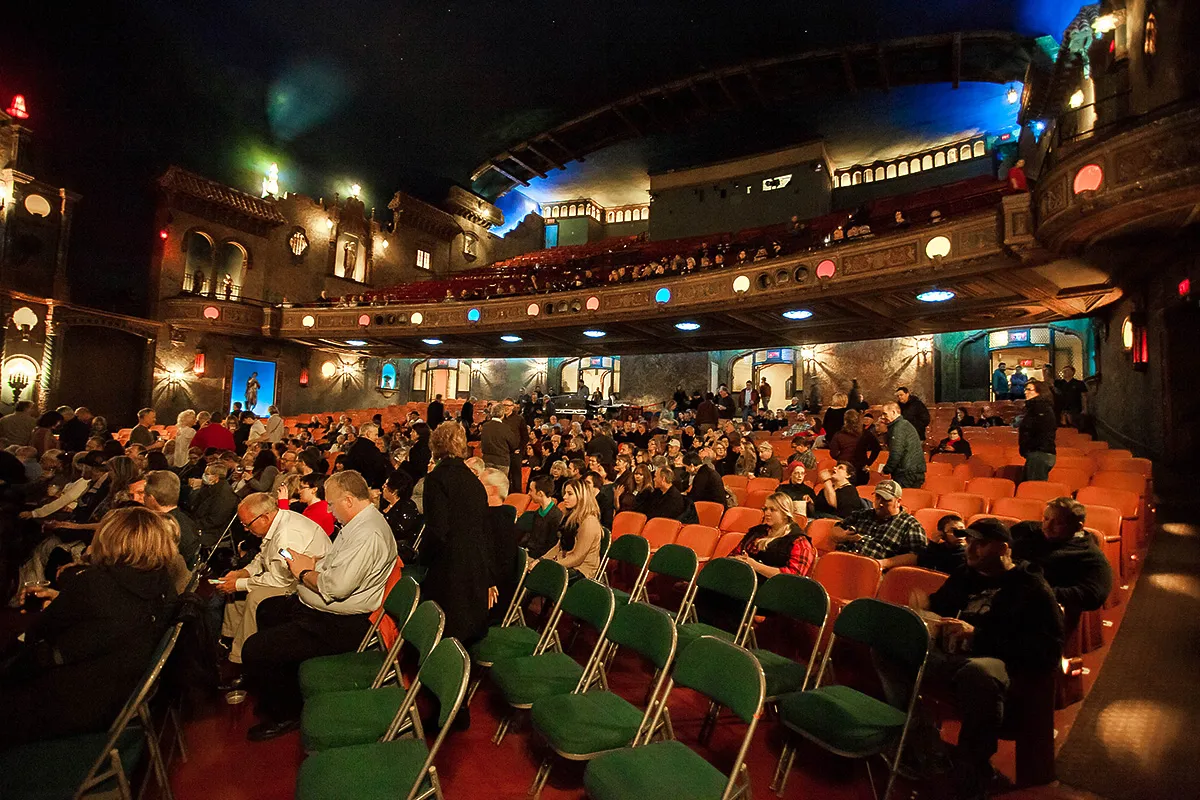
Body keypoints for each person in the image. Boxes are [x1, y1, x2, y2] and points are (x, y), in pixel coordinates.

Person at [906, 518, 1063, 799]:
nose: (971, 549)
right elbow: (939, 604)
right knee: (893, 645)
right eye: (971, 541)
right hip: (951, 655)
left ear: (1003, 549)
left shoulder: (1032, 589)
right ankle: (922, 743)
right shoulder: (965, 574)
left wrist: (977, 635)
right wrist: (925, 608)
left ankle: (973, 765)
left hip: (998, 660)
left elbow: (1045, 649)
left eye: (981, 543)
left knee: (977, 673)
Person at [3, 507, 178, 752]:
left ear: (111, 539)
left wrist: (61, 604)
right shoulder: (161, 583)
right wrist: (64, 599)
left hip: (77, 704)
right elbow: (110, 620)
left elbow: (38, 634)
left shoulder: (93, 584)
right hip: (121, 694)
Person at [241, 470, 397, 740]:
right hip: (323, 612)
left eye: (332, 504)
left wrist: (303, 572)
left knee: (255, 649)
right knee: (267, 609)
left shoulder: (367, 534)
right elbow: (335, 564)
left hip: (342, 625)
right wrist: (312, 563)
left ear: (348, 501)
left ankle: (286, 713)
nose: (330, 510)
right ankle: (285, 692)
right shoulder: (358, 525)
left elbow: (335, 588)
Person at [216, 492, 330, 665]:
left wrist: (239, 584)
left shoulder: (287, 535)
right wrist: (243, 573)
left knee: (254, 597)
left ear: (265, 517)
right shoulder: (277, 522)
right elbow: (263, 557)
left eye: (247, 524)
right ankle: (229, 639)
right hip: (286, 576)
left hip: (305, 583)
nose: (246, 529)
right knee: (235, 591)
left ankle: (241, 659)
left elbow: (281, 580)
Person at [420, 421, 493, 646]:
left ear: (436, 446)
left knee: (442, 633)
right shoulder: (474, 481)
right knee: (463, 637)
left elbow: (437, 529)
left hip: (449, 566)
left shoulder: (436, 479)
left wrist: (423, 558)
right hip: (474, 566)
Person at [1011, 497, 1112, 632]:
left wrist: (1043, 592)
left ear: (1078, 527)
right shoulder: (1029, 530)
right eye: (1046, 519)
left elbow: (1094, 595)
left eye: (1058, 523)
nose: (1047, 526)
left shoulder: (1090, 555)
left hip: (1037, 608)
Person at [831, 480, 927, 568]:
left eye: (886, 500)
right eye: (877, 497)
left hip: (875, 570)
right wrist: (844, 536)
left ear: (898, 502)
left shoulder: (911, 525)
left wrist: (882, 563)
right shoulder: (862, 514)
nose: (880, 503)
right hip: (842, 561)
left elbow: (916, 556)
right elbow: (837, 528)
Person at [730, 492, 816, 577]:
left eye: (772, 510)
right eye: (765, 509)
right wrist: (738, 559)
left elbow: (794, 577)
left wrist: (755, 565)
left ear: (785, 514)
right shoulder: (757, 532)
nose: (767, 513)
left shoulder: (799, 541)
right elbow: (734, 554)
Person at [539, 479, 602, 581]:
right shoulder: (569, 515)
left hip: (581, 571)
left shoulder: (589, 522)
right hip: (564, 563)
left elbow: (577, 558)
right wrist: (541, 560)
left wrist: (549, 566)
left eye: (570, 494)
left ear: (582, 496)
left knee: (543, 577)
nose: (564, 497)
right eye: (565, 493)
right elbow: (558, 546)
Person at [142, 470, 202, 569]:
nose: (142, 498)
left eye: (144, 494)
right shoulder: (187, 522)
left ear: (152, 499)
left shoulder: (162, 528)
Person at [186, 463, 239, 548]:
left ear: (215, 477)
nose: (204, 476)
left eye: (207, 474)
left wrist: (192, 525)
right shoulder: (209, 488)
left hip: (211, 531)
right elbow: (194, 505)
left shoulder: (225, 496)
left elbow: (215, 520)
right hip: (199, 523)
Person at [879, 403, 926, 488]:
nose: (882, 417)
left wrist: (887, 470)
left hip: (906, 473)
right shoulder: (903, 425)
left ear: (893, 412)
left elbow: (896, 452)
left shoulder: (898, 428)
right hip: (912, 470)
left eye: (885, 413)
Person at [1019, 380, 1057, 481]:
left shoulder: (1041, 408)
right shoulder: (1037, 408)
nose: (1025, 392)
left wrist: (1029, 447)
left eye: (1029, 389)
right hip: (1037, 453)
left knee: (1033, 487)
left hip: (1039, 454)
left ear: (1039, 392)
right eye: (1025, 389)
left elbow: (1041, 431)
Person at [519, 475, 563, 558]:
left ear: (540, 493)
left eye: (531, 490)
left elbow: (551, 547)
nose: (529, 493)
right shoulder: (537, 513)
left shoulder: (556, 517)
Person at [341, 422, 391, 489]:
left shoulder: (353, 447)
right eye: (376, 435)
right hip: (367, 488)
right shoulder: (371, 449)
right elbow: (379, 471)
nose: (377, 438)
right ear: (368, 434)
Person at [380, 470, 420, 550]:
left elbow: (400, 532)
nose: (382, 487)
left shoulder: (407, 507)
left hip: (396, 549)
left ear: (394, 491)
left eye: (385, 485)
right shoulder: (385, 504)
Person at [481, 403, 519, 481]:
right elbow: (514, 444)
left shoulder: (485, 426)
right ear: (502, 414)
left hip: (487, 460)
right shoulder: (505, 428)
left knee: (488, 485)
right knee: (501, 486)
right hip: (502, 461)